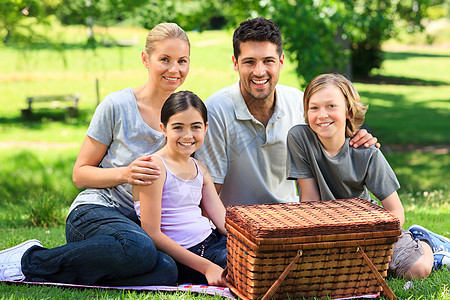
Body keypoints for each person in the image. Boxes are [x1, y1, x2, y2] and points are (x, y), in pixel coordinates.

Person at [0, 23, 191, 285]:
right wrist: (125, 174)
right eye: (165, 59)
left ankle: (85, 269)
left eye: (182, 61)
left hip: (136, 227)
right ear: (146, 59)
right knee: (140, 250)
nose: (174, 69)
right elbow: (80, 174)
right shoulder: (117, 105)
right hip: (96, 211)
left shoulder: (187, 116)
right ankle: (28, 260)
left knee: (167, 270)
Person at [194, 17, 378, 207]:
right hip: (236, 224)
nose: (259, 71)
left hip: (290, 219)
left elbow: (331, 156)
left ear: (281, 61)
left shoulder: (299, 104)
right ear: (235, 63)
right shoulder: (216, 110)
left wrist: (354, 140)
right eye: (249, 62)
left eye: (268, 61)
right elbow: (209, 192)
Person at [285, 73, 450, 279]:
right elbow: (310, 199)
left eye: (331, 106)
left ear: (348, 110)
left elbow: (395, 210)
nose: (322, 115)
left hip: (368, 228)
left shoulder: (366, 152)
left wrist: (369, 240)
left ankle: (426, 243)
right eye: (314, 107)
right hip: (325, 228)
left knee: (416, 270)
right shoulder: (299, 138)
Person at [133, 91, 227, 287]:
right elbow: (152, 233)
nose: (187, 135)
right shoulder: (155, 167)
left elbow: (224, 223)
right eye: (178, 127)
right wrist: (207, 268)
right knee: (242, 265)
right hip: (189, 256)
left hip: (212, 242)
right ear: (164, 128)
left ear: (205, 128)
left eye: (195, 127)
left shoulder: (199, 168)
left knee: (254, 257)